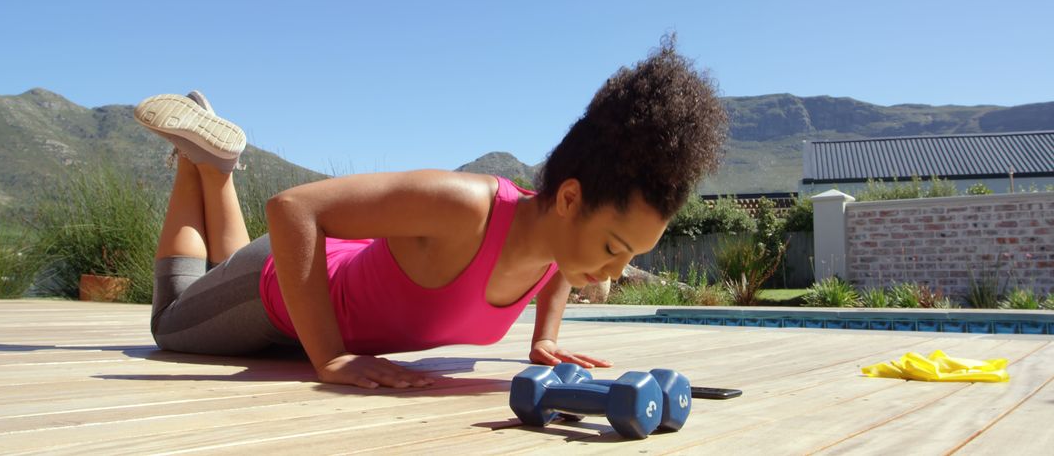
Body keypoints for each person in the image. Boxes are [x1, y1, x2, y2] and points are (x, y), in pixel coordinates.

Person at [136, 39, 728, 390]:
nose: (616, 270)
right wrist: (333, 359)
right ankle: (207, 167)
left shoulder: (553, 241)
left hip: (300, 287)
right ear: (569, 199)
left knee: (223, 260)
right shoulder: (468, 209)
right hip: (278, 292)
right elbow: (293, 210)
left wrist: (544, 340)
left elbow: (556, 274)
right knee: (171, 319)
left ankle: (208, 164)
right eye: (613, 248)